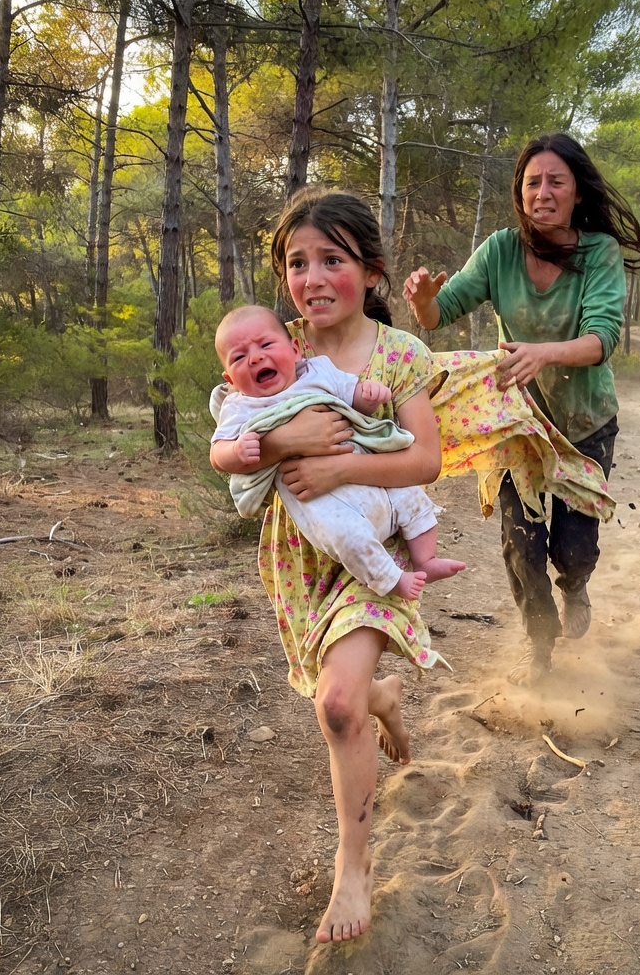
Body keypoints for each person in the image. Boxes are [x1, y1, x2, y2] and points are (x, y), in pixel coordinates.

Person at [208, 188, 450, 945]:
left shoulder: (399, 356)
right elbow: (230, 439)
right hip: (301, 556)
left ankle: (354, 867)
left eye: (331, 260)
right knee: (342, 695)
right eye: (296, 262)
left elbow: (426, 459)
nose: (312, 278)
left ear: (371, 270)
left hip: (372, 549)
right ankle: (383, 697)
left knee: (335, 707)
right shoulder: (272, 346)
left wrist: (340, 467)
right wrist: (289, 443)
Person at [403, 132, 640, 686]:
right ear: (519, 193)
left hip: (585, 424)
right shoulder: (500, 250)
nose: (543, 193)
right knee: (522, 545)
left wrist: (543, 352)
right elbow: (440, 312)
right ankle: (539, 649)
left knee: (573, 547)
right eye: (532, 183)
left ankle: (576, 584)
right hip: (516, 427)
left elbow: (603, 338)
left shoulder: (598, 253)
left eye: (555, 182)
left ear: (577, 193)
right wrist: (423, 301)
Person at [209, 304, 465, 601]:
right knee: (347, 535)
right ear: (230, 379)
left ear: (295, 350)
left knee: (411, 496)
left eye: (266, 345)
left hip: (368, 475)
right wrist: (236, 451)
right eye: (239, 357)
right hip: (321, 500)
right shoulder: (240, 407)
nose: (255, 358)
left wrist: (368, 397)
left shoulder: (317, 371)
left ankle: (426, 559)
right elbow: (218, 453)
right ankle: (390, 579)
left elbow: (352, 394)